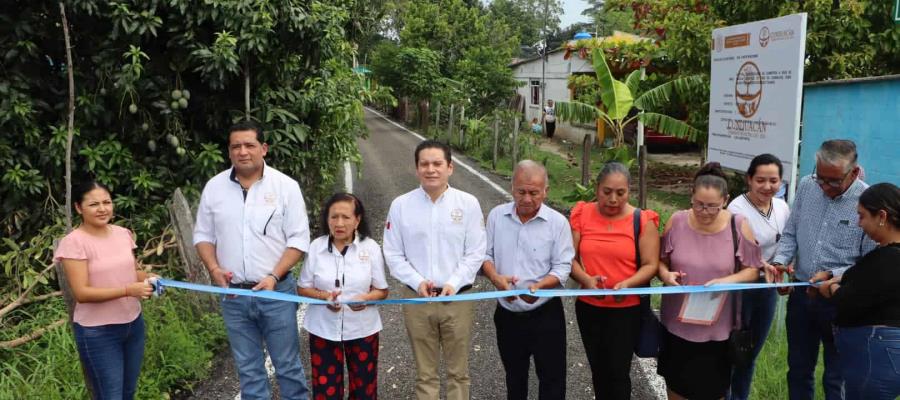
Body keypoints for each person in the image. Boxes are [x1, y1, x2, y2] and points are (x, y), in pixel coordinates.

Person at [193, 120, 310, 400]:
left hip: (276, 292)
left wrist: (273, 276)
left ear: (264, 149)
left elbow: (298, 240)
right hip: (234, 295)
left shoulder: (286, 187)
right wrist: (214, 268)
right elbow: (203, 236)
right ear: (229, 151)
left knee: (288, 366)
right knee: (248, 369)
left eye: (249, 145)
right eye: (236, 146)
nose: (243, 152)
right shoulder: (214, 187)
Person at [771, 139, 877, 400]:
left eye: (834, 181)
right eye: (821, 179)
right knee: (798, 370)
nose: (826, 187)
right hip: (801, 295)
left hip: (840, 303)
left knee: (836, 378)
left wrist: (832, 274)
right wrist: (779, 263)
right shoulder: (808, 186)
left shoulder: (868, 203)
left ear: (853, 172)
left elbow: (870, 264)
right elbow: (791, 233)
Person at [383, 139, 486, 400]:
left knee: (458, 372)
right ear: (416, 169)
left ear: (450, 167)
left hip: (458, 298)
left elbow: (475, 252)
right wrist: (417, 282)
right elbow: (393, 254)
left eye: (437, 163)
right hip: (418, 299)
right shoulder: (401, 205)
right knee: (425, 373)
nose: (431, 169)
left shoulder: (468, 204)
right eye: (424, 164)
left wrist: (453, 282)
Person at [657, 163, 763, 400]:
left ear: (725, 201)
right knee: (676, 388)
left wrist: (726, 281)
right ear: (691, 198)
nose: (704, 212)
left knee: (713, 391)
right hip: (677, 326)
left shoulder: (738, 225)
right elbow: (660, 261)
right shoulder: (677, 221)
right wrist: (666, 275)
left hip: (718, 330)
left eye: (712, 207)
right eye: (699, 205)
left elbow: (752, 271)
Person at [53, 181, 155, 400]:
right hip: (99, 333)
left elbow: (132, 271)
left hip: (133, 324)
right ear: (79, 208)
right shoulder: (74, 243)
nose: (102, 209)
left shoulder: (122, 234)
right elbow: (82, 293)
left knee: (128, 392)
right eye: (94, 204)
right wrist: (129, 290)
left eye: (107, 202)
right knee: (110, 396)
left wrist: (151, 279)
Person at [482, 160, 574, 400]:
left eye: (534, 193)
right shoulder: (496, 217)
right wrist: (495, 278)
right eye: (521, 192)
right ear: (512, 187)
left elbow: (563, 266)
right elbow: (485, 255)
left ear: (545, 191)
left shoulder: (558, 223)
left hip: (546, 312)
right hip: (507, 311)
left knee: (552, 379)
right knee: (514, 377)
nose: (527, 199)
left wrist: (540, 288)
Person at [568, 162, 660, 399]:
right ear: (597, 188)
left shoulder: (642, 220)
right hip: (589, 308)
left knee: (618, 373)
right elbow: (568, 259)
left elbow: (651, 264)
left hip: (625, 310)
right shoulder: (582, 213)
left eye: (621, 193)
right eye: (606, 192)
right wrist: (586, 280)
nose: (613, 199)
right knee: (598, 370)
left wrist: (628, 283)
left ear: (630, 191)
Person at [298, 193, 388, 400]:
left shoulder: (371, 248)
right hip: (323, 329)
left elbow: (382, 291)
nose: (339, 223)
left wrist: (365, 299)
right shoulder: (316, 247)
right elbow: (303, 288)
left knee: (364, 387)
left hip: (363, 329)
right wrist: (324, 296)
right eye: (334, 217)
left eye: (346, 217)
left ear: (357, 220)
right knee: (325, 388)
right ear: (327, 220)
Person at [815, 183, 900, 400]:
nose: (859, 224)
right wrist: (841, 277)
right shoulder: (885, 255)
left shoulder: (889, 258)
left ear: (882, 215)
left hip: (875, 353)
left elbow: (849, 299)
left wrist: (831, 287)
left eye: (862, 216)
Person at [726, 154, 791, 400]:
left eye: (773, 180)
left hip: (767, 289)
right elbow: (740, 249)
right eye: (760, 180)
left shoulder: (783, 207)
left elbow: (786, 244)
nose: (767, 186)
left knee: (750, 354)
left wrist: (784, 266)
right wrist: (763, 265)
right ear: (749, 180)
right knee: (733, 351)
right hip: (742, 288)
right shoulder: (737, 208)